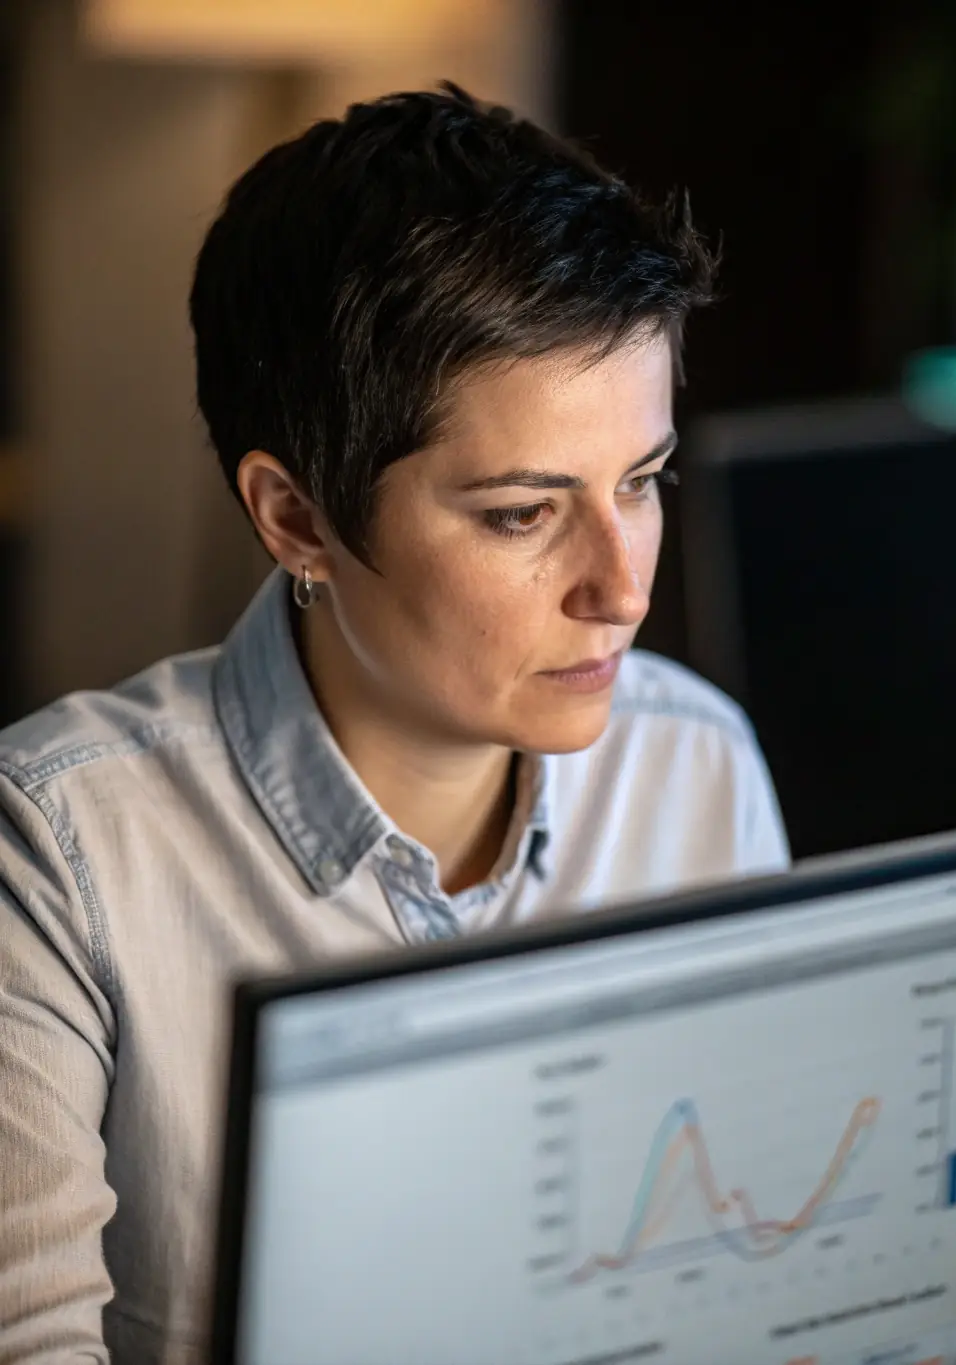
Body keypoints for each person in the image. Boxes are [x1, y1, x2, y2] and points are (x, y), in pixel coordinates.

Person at [0, 84, 787, 1362]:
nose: (624, 589)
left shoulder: (694, 765)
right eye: (523, 515)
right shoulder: (58, 857)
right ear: (297, 517)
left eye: (639, 483)